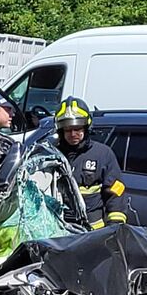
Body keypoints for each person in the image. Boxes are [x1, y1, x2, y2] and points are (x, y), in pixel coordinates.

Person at [54, 96, 128, 229]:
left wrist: (114, 227)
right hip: (58, 230)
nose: (73, 134)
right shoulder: (51, 154)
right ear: (61, 130)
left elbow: (116, 192)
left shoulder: (102, 154)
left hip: (92, 231)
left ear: (86, 127)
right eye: (68, 129)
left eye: (77, 129)